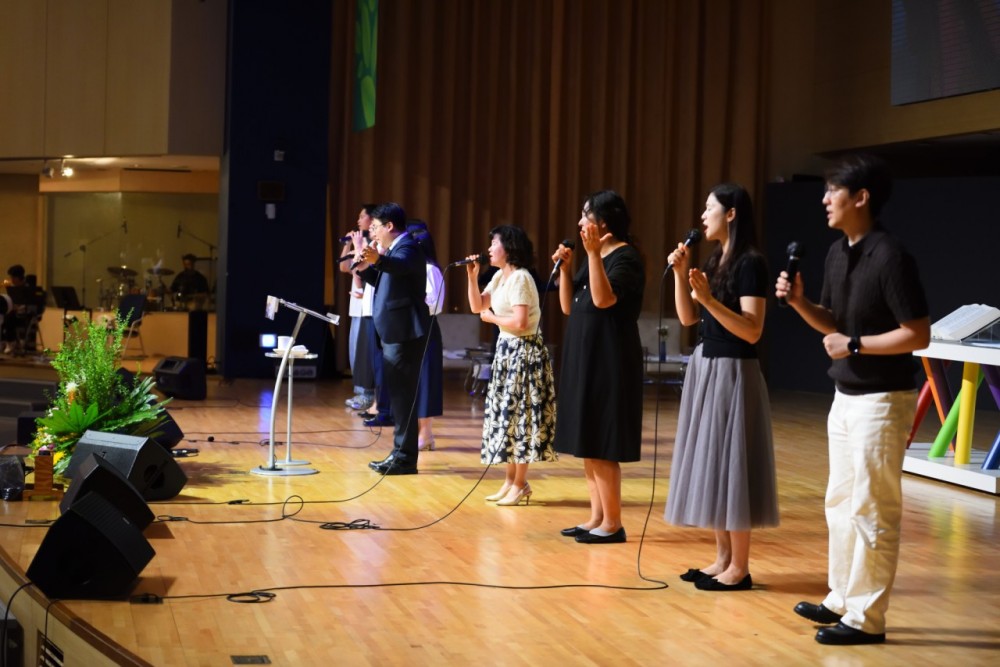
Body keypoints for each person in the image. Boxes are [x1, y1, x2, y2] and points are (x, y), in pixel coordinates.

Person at [775, 154, 930, 645]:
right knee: (840, 502)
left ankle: (867, 618)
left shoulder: (890, 256)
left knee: (872, 508)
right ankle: (841, 598)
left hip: (882, 401)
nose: (824, 199)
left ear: (861, 198)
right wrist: (800, 303)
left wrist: (857, 345)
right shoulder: (837, 253)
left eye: (832, 191)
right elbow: (835, 324)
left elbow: (917, 334)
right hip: (845, 395)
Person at [664, 183, 779, 591]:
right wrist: (681, 277)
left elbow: (752, 330)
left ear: (731, 214)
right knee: (713, 461)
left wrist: (710, 301)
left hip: (734, 370)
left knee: (733, 464)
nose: (702, 216)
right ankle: (722, 558)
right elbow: (687, 319)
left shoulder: (751, 263)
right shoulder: (715, 259)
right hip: (706, 365)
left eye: (709, 208)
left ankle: (740, 567)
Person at [552, 190, 645, 542]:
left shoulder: (626, 257)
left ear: (603, 222)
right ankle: (596, 516)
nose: (579, 222)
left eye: (585, 215)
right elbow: (568, 307)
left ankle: (613, 523)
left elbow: (604, 299)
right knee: (588, 440)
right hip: (584, 358)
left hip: (610, 360)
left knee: (603, 443)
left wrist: (591, 255)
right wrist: (565, 271)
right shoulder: (595, 257)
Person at [465, 225, 557, 505]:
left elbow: (520, 322)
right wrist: (472, 278)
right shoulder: (499, 276)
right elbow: (477, 306)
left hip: (524, 353)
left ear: (509, 248)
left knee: (521, 419)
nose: (489, 248)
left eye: (494, 243)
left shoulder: (521, 278)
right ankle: (509, 480)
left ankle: (520, 483)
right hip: (506, 351)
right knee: (506, 417)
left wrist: (493, 319)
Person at [350, 202, 430, 475]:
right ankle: (399, 454)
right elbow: (385, 278)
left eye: (376, 227)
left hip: (405, 333)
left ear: (390, 226)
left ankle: (404, 459)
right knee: (398, 397)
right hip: (395, 332)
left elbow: (400, 266)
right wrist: (364, 268)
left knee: (403, 398)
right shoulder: (394, 250)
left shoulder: (408, 247)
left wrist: (379, 260)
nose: (373, 232)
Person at [411, 223, 444, 451]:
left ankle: (426, 433)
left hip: (426, 327)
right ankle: (419, 433)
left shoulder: (430, 269)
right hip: (413, 328)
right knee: (415, 381)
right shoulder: (415, 268)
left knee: (426, 381)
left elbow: (435, 304)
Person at [341, 205, 377, 412]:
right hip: (358, 306)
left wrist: (359, 251)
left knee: (365, 352)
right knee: (356, 351)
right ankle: (361, 392)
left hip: (369, 306)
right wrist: (349, 245)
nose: (358, 220)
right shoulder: (359, 242)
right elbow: (344, 267)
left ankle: (367, 394)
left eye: (362, 216)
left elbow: (362, 272)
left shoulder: (373, 246)